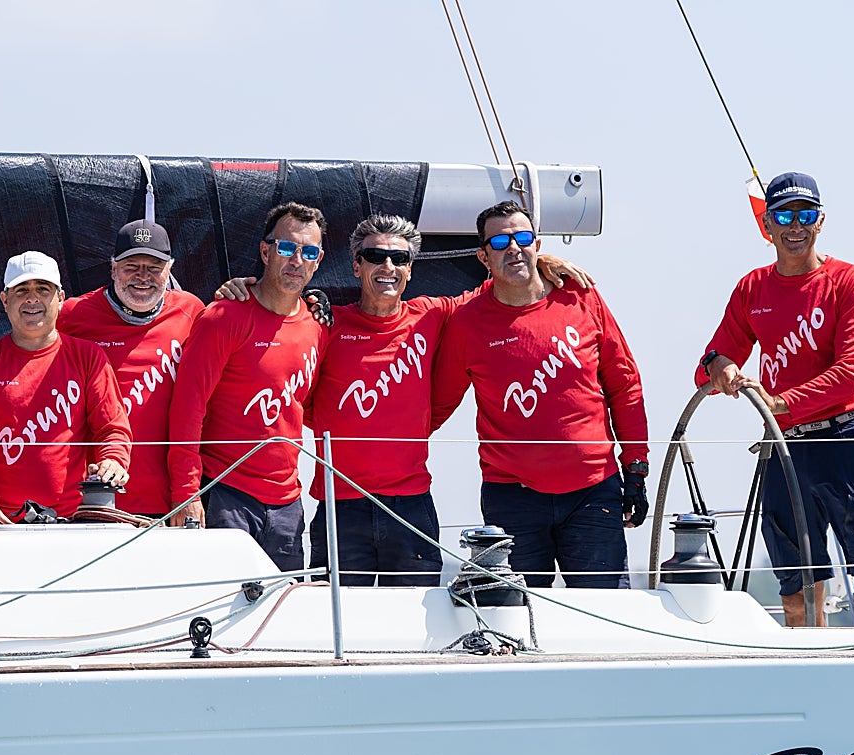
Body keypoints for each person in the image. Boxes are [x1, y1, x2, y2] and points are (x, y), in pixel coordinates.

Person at [218, 214, 593, 586]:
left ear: (410, 271)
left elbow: (500, 285)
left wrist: (541, 261)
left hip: (412, 506)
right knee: (338, 627)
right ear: (356, 266)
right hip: (341, 507)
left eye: (399, 259)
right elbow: (298, 384)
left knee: (415, 630)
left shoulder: (434, 315)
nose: (387, 267)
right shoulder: (325, 324)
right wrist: (238, 290)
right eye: (375, 256)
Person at [697, 172, 854, 627]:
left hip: (849, 442)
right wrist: (722, 366)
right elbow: (710, 364)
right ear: (766, 225)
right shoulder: (752, 288)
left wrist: (778, 403)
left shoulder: (849, 282)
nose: (796, 226)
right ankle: (815, 687)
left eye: (806, 215)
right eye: (784, 216)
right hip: (786, 448)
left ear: (821, 221)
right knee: (797, 594)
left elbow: (853, 375)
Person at [430, 200, 649, 589]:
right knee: (516, 618)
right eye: (499, 241)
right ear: (483, 256)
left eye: (523, 237)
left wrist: (636, 466)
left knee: (608, 617)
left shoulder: (582, 297)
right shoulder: (466, 321)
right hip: (511, 497)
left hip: (593, 490)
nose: (513, 247)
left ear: (537, 243)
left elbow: (624, 382)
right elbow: (438, 404)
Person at [167, 202, 328, 572]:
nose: (296, 260)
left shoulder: (318, 327)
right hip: (225, 494)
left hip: (288, 504)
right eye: (286, 248)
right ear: (265, 251)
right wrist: (186, 493)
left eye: (308, 252)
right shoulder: (223, 317)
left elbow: (307, 405)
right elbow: (188, 409)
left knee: (282, 617)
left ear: (318, 261)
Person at [58, 220, 204, 516]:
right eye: (131, 266)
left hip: (168, 500)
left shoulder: (192, 311)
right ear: (113, 269)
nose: (142, 276)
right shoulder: (73, 315)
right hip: (94, 498)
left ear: (169, 271)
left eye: (154, 267)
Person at [0, 251, 131, 520]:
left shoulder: (87, 357)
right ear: (5, 300)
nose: (32, 298)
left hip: (73, 521)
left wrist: (113, 460)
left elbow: (111, 429)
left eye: (42, 289)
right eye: (21, 290)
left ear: (60, 298)